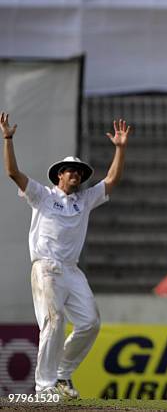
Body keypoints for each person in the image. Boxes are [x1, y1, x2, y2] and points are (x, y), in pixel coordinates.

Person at [1, 112, 131, 398]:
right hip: (46, 267)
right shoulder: (42, 195)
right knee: (54, 319)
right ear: (59, 174)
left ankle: (62, 373)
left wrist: (120, 148)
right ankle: (44, 387)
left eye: (80, 173)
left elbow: (112, 179)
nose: (76, 175)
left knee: (90, 323)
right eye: (70, 171)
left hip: (72, 270)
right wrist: (8, 139)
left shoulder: (84, 201)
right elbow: (13, 173)